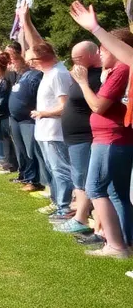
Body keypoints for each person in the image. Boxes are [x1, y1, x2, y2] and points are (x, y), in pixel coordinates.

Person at [71, 27, 133, 258]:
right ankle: (124, 241)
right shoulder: (118, 70)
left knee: (95, 188)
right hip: (113, 139)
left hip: (111, 140)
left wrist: (83, 82)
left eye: (103, 50)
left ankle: (116, 245)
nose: (100, 55)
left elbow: (98, 106)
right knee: (116, 193)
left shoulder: (122, 70)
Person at [50, 41, 102, 234]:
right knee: (78, 177)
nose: (75, 62)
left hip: (85, 135)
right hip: (74, 136)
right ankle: (83, 215)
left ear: (92, 54)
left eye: (78, 58)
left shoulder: (97, 76)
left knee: (83, 178)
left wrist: (82, 81)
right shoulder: (82, 74)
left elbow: (96, 104)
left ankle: (82, 217)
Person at [28, 41, 77, 217]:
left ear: (41, 58)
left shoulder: (58, 74)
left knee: (61, 170)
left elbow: (65, 107)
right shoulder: (48, 74)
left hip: (55, 131)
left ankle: (65, 207)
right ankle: (57, 202)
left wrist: (44, 113)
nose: (30, 63)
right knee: (52, 169)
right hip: (45, 130)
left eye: (32, 59)